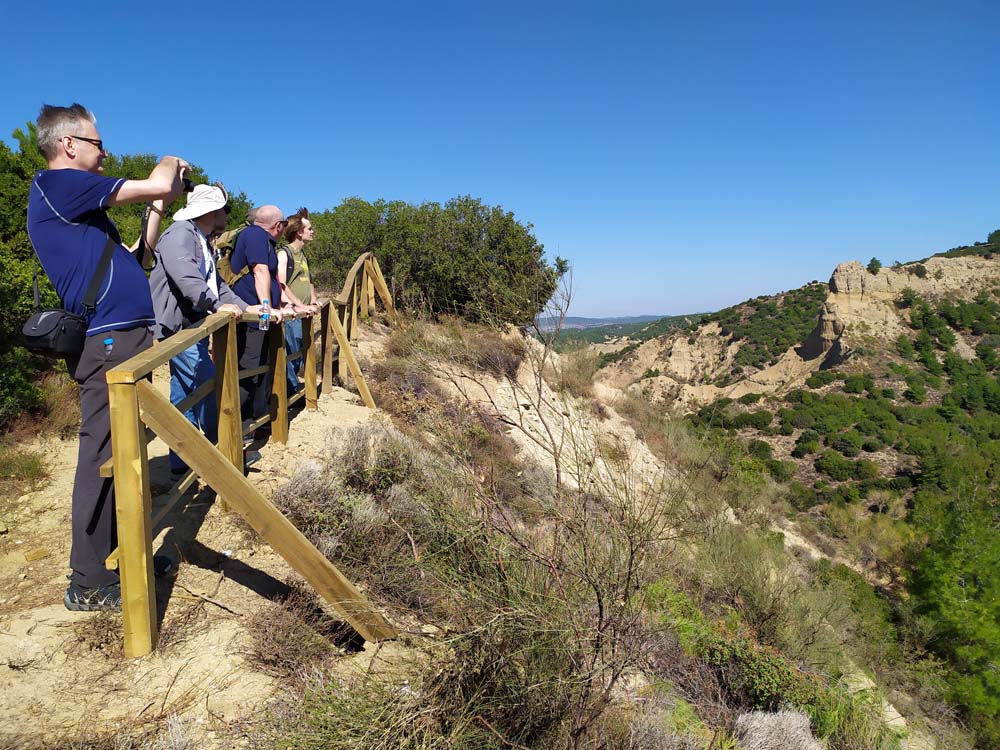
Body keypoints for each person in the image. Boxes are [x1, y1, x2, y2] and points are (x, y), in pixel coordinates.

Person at [26, 103, 188, 611]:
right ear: (69, 144)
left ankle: (124, 552)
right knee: (101, 455)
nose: (106, 152)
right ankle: (89, 580)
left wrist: (159, 208)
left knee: (125, 454)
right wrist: (169, 162)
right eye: (99, 143)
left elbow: (138, 253)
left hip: (122, 338)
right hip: (108, 342)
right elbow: (157, 182)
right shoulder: (58, 185)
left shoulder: (85, 210)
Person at [148, 184, 262, 475]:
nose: (226, 213)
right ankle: (224, 451)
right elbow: (186, 275)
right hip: (180, 328)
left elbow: (217, 285)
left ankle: (180, 460)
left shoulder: (200, 238)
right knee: (210, 386)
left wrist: (245, 307)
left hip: (192, 326)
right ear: (212, 210)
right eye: (224, 208)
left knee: (183, 394)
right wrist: (214, 305)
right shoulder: (180, 234)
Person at [228, 205, 288, 421]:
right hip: (251, 317)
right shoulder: (254, 235)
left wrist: (282, 304)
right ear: (277, 225)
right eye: (285, 224)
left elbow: (272, 279)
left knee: (261, 366)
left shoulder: (264, 241)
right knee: (249, 368)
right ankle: (240, 428)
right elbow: (259, 270)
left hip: (258, 316)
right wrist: (266, 306)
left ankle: (256, 419)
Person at [276, 208, 318, 394]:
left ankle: (291, 390)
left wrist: (315, 301)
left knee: (300, 351)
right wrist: (299, 305)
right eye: (309, 228)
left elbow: (308, 281)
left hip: (304, 312)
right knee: (292, 352)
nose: (312, 231)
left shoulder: (303, 255)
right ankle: (289, 391)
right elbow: (281, 284)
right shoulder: (285, 254)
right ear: (299, 232)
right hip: (292, 313)